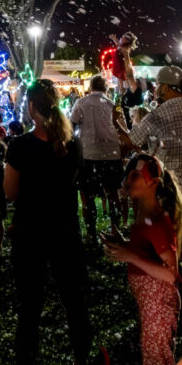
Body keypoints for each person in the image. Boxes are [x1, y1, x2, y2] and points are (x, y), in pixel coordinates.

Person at [4, 79, 91, 365]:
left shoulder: (21, 146)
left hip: (31, 234)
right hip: (65, 232)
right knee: (75, 303)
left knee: (30, 309)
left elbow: (11, 193)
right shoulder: (73, 144)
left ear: (31, 108)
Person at [101, 153, 182, 365]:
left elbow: (171, 273)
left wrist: (129, 255)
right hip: (150, 302)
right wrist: (123, 244)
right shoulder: (145, 212)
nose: (128, 179)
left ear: (153, 182)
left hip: (158, 302)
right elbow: (147, 251)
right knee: (154, 363)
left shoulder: (156, 219)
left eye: (135, 175)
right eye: (128, 174)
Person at [113, 65, 182, 272]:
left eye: (159, 85)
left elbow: (131, 142)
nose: (156, 89)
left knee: (167, 241)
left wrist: (117, 124)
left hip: (168, 192)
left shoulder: (156, 115)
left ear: (167, 88)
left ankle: (171, 280)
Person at [71, 75, 125, 242]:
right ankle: (116, 229)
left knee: (87, 196)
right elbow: (122, 129)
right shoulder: (112, 105)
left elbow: (72, 123)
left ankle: (91, 233)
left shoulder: (81, 102)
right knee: (113, 194)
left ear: (91, 87)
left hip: (89, 154)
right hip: (111, 153)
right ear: (105, 88)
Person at [108, 32, 138, 98]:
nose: (121, 38)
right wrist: (114, 39)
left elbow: (119, 45)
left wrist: (114, 39)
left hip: (120, 68)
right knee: (120, 84)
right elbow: (118, 44)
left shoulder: (124, 49)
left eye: (123, 37)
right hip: (118, 67)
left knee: (122, 85)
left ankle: (123, 96)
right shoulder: (122, 46)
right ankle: (122, 95)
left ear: (127, 40)